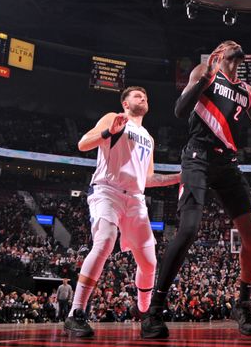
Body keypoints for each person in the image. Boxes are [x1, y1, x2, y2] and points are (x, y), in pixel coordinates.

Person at [142, 40, 251, 339]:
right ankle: (154, 310)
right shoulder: (204, 72)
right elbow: (180, 111)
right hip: (197, 157)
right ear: (219, 53)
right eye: (226, 43)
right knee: (188, 229)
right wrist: (205, 77)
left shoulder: (248, 92)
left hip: (227, 163)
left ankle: (243, 304)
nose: (233, 43)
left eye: (235, 43)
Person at [64, 86, 181, 337]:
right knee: (105, 240)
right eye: (138, 95)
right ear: (125, 103)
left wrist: (180, 177)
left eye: (146, 96)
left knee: (149, 264)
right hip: (108, 191)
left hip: (136, 200)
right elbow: (83, 144)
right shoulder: (113, 118)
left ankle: (145, 313)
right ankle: (76, 313)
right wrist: (109, 131)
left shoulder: (148, 137)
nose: (144, 98)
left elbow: (148, 178)